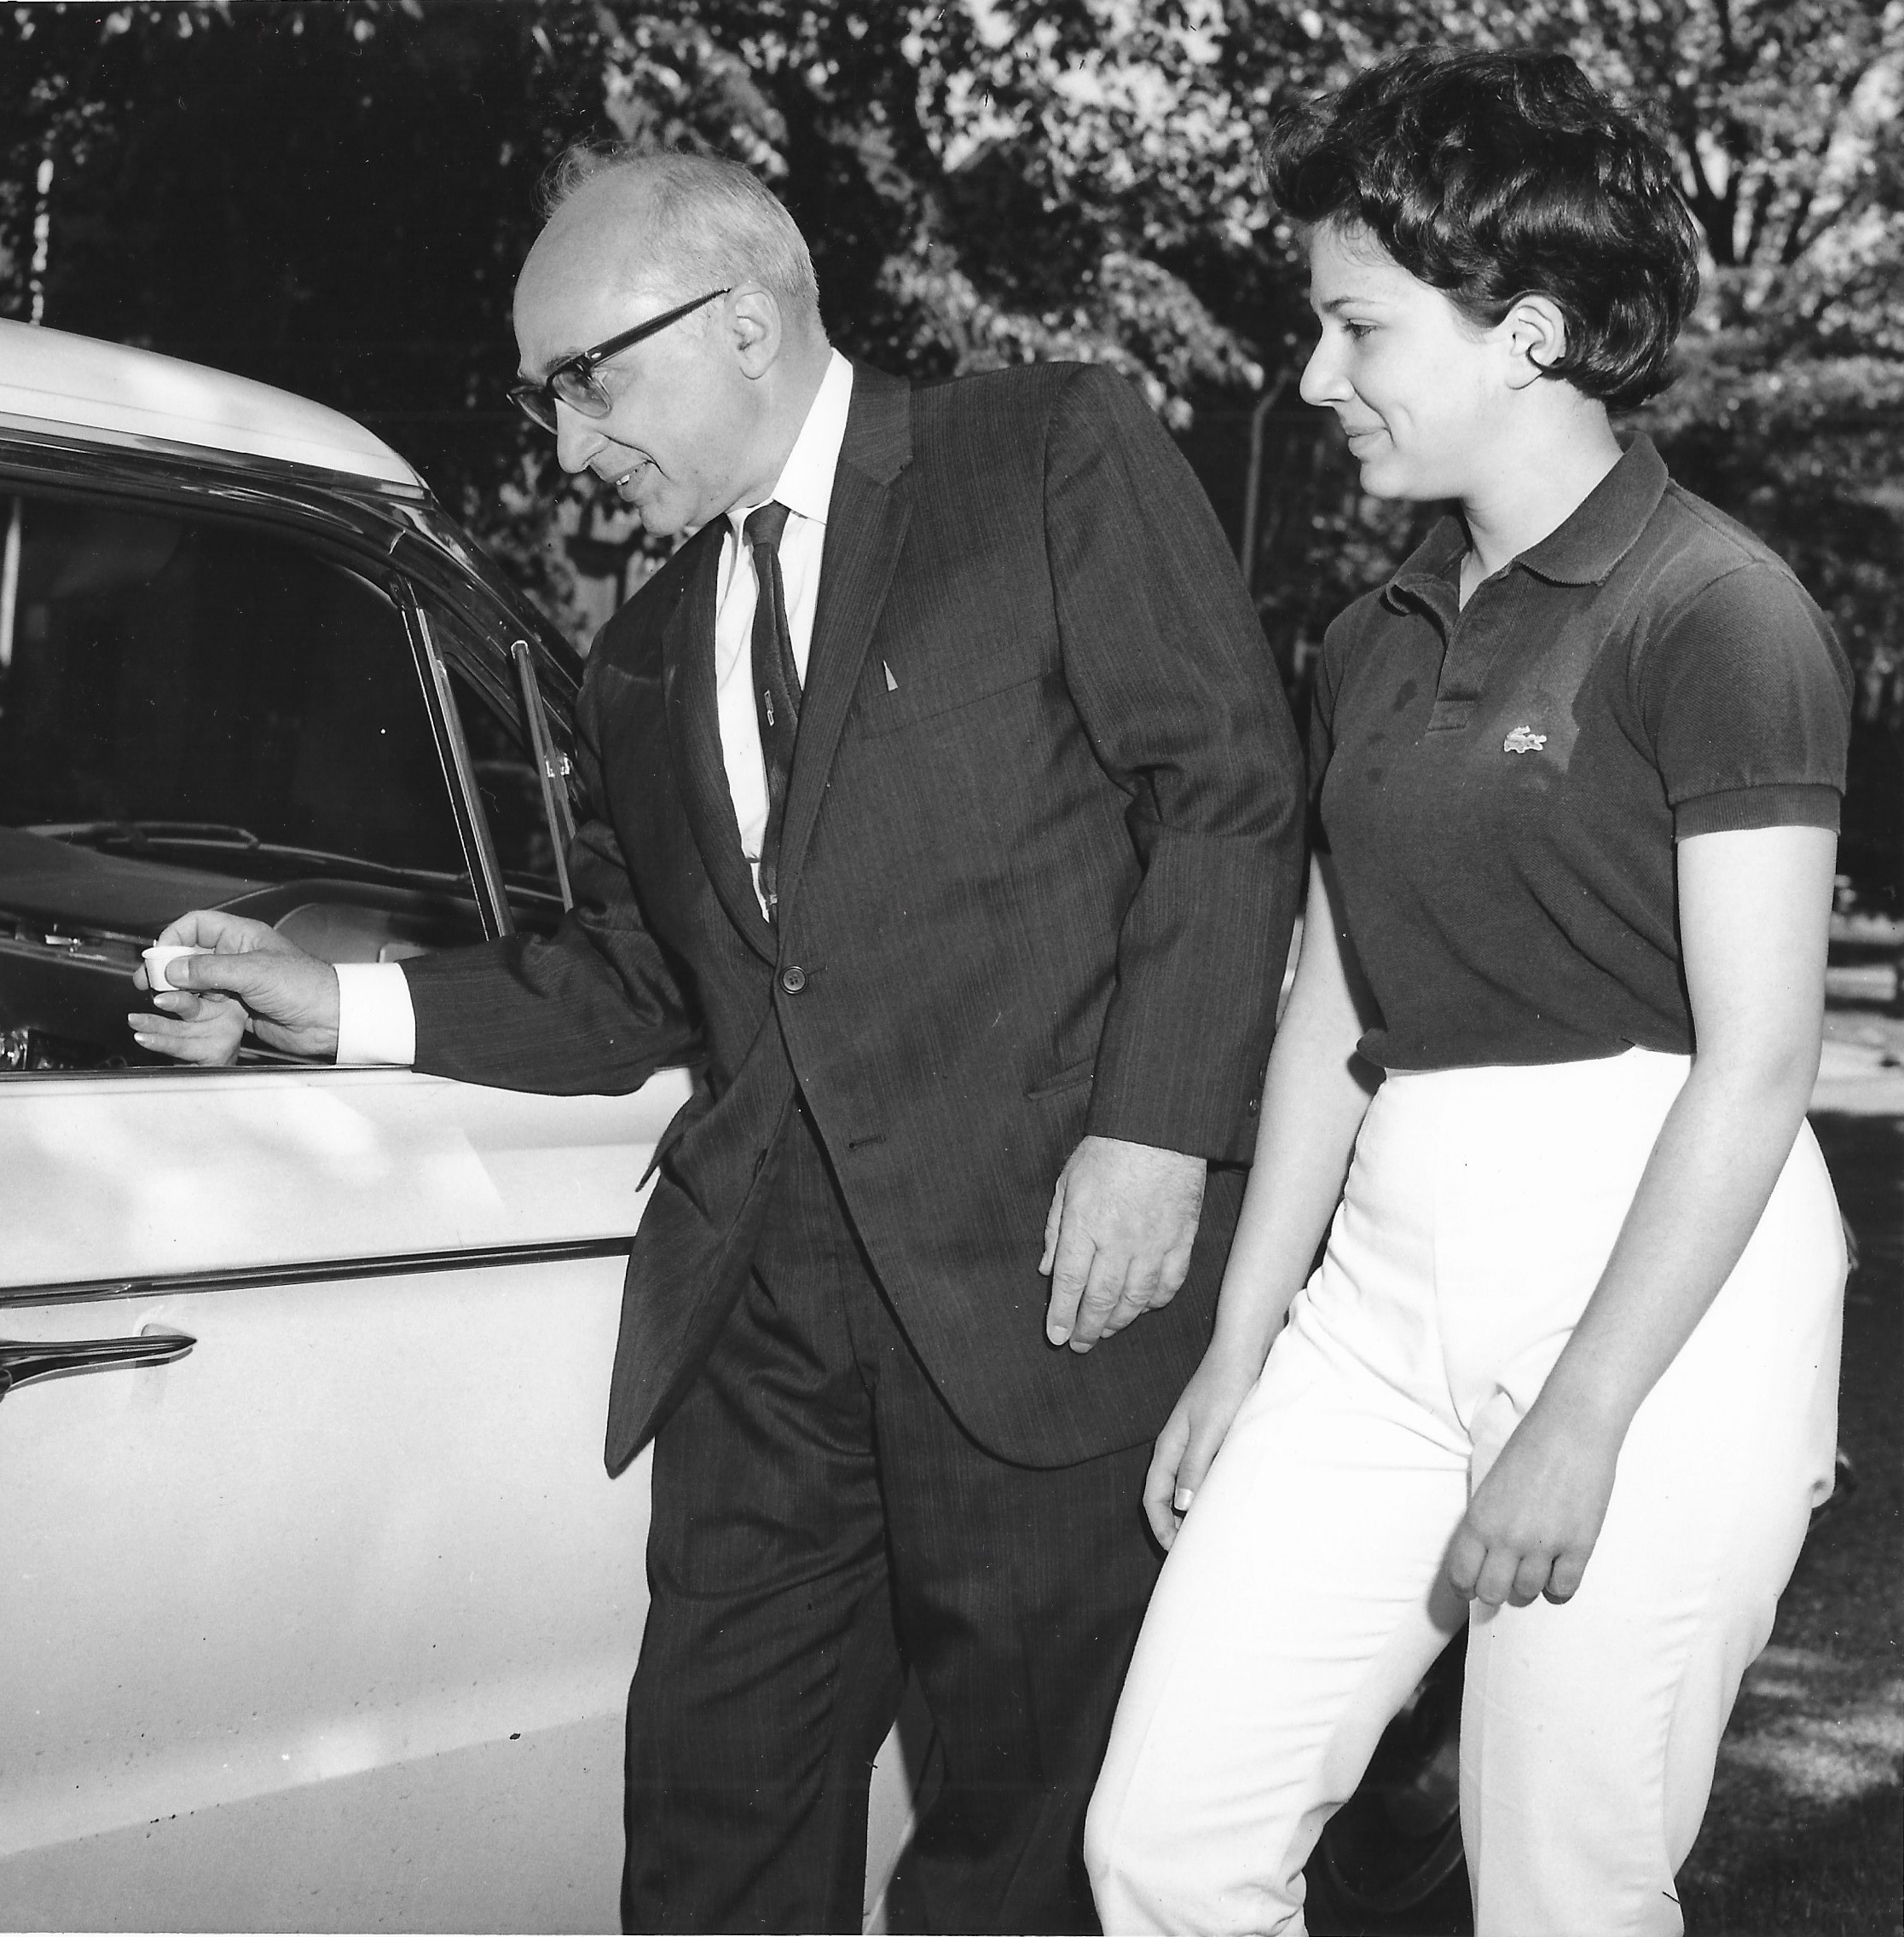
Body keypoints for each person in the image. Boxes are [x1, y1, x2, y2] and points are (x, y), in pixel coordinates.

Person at [139, 146, 1302, 1933]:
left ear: (745, 319)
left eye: (584, 382)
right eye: (542, 404)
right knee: (706, 1833)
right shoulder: (636, 653)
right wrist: (347, 1002)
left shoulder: (1041, 451)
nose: (564, 446)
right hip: (762, 1320)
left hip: (1041, 1283)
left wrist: (1150, 1132)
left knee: (1018, 1859)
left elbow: (1224, 790)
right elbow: (643, 980)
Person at [1083, 48, 1851, 1937]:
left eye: (1355, 327)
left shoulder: (1715, 610)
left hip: (1653, 1270)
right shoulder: (1365, 632)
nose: (1314, 377)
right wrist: (1242, 1336)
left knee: (1558, 1896)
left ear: (1520, 332)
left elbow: (1756, 1066)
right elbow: (1338, 1008)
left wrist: (1581, 1409)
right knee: (1165, 1844)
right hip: (1385, 1271)